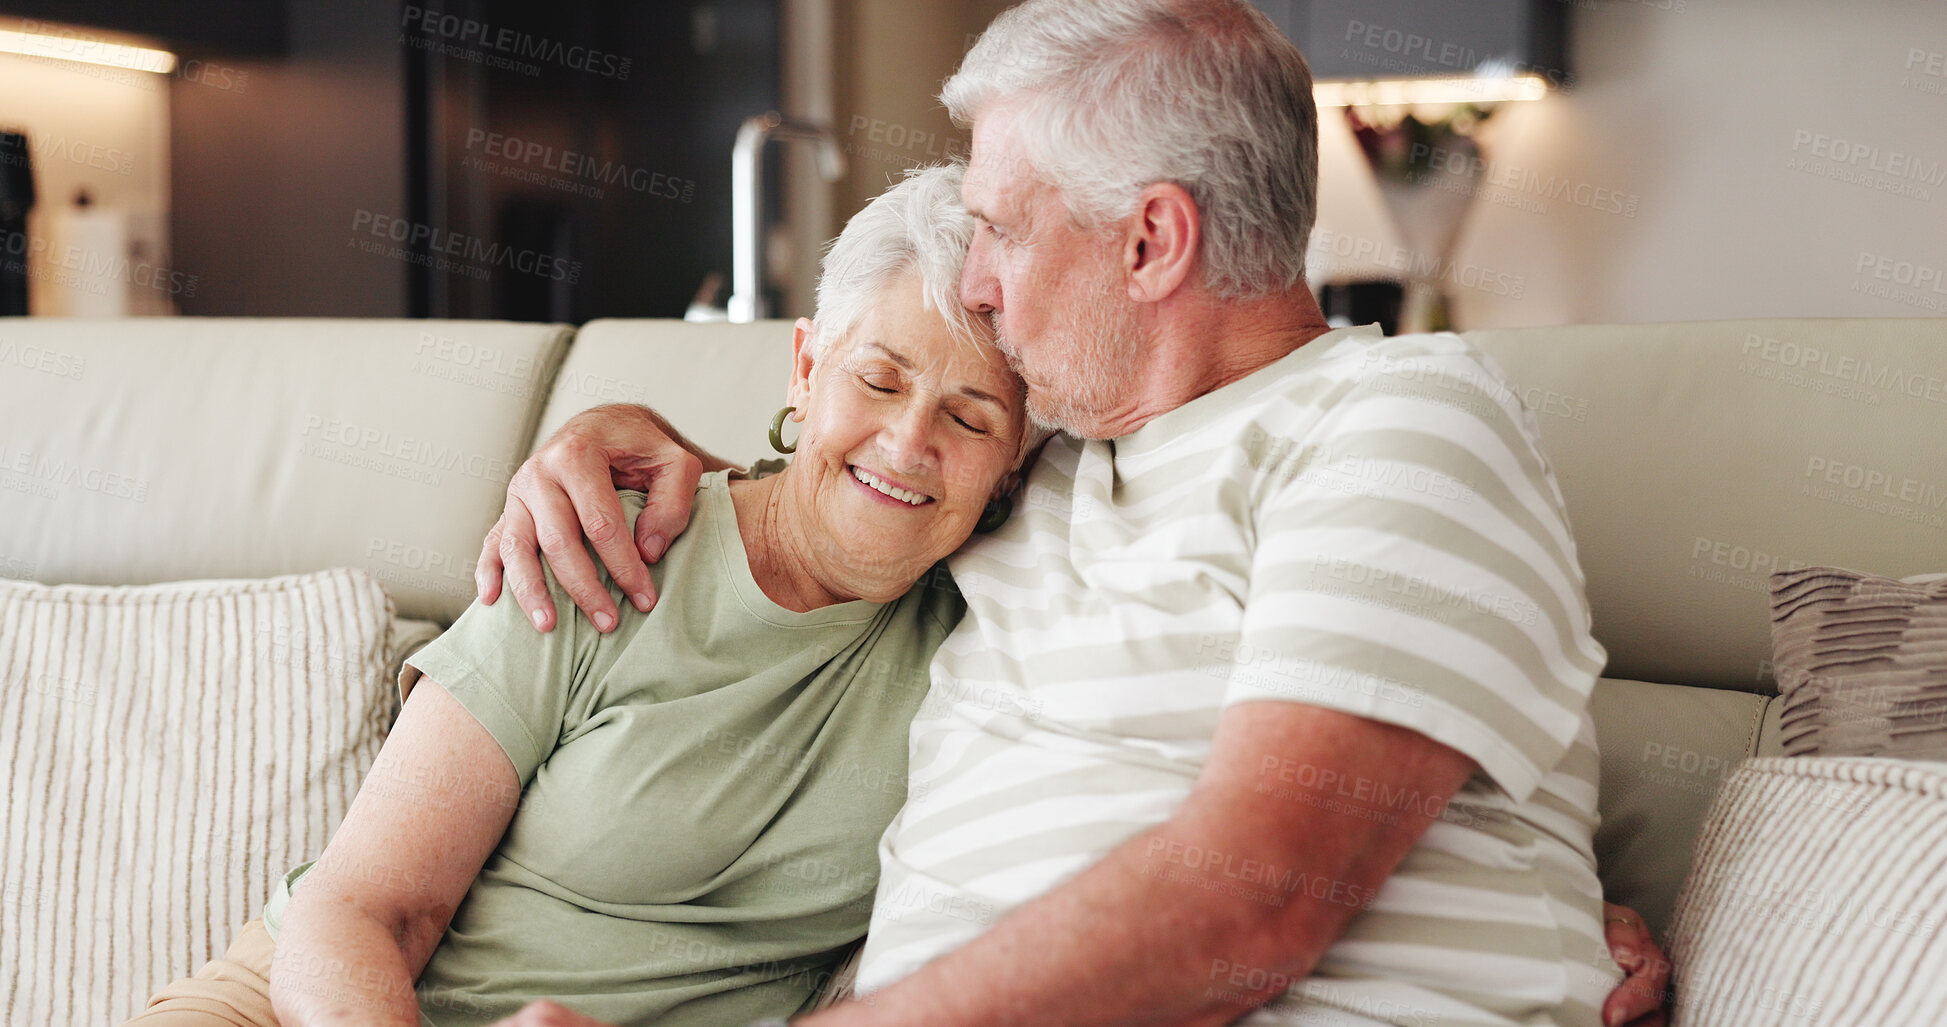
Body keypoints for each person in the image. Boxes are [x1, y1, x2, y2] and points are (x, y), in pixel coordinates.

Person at [477, 2, 1673, 1026]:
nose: (977, 279)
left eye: (1000, 225)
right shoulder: (1033, 461)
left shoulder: (1398, 423)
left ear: (1151, 240)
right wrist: (613, 448)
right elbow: (846, 486)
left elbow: (1256, 895)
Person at [123, 164, 1034, 1027]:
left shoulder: (989, 644)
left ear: (1011, 467)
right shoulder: (603, 542)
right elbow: (364, 908)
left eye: (968, 417)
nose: (908, 441)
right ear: (804, 370)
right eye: (877, 380)